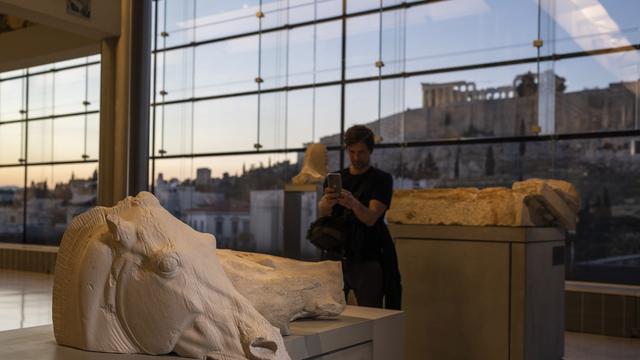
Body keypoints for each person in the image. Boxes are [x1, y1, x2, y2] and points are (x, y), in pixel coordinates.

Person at [318, 125, 402, 309]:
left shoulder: (381, 179)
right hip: (336, 255)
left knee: (371, 313)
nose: (356, 157)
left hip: (368, 256)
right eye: (352, 152)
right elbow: (324, 214)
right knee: (329, 310)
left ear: (370, 150)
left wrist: (353, 202)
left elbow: (371, 218)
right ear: (347, 150)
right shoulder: (337, 177)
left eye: (361, 152)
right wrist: (326, 203)